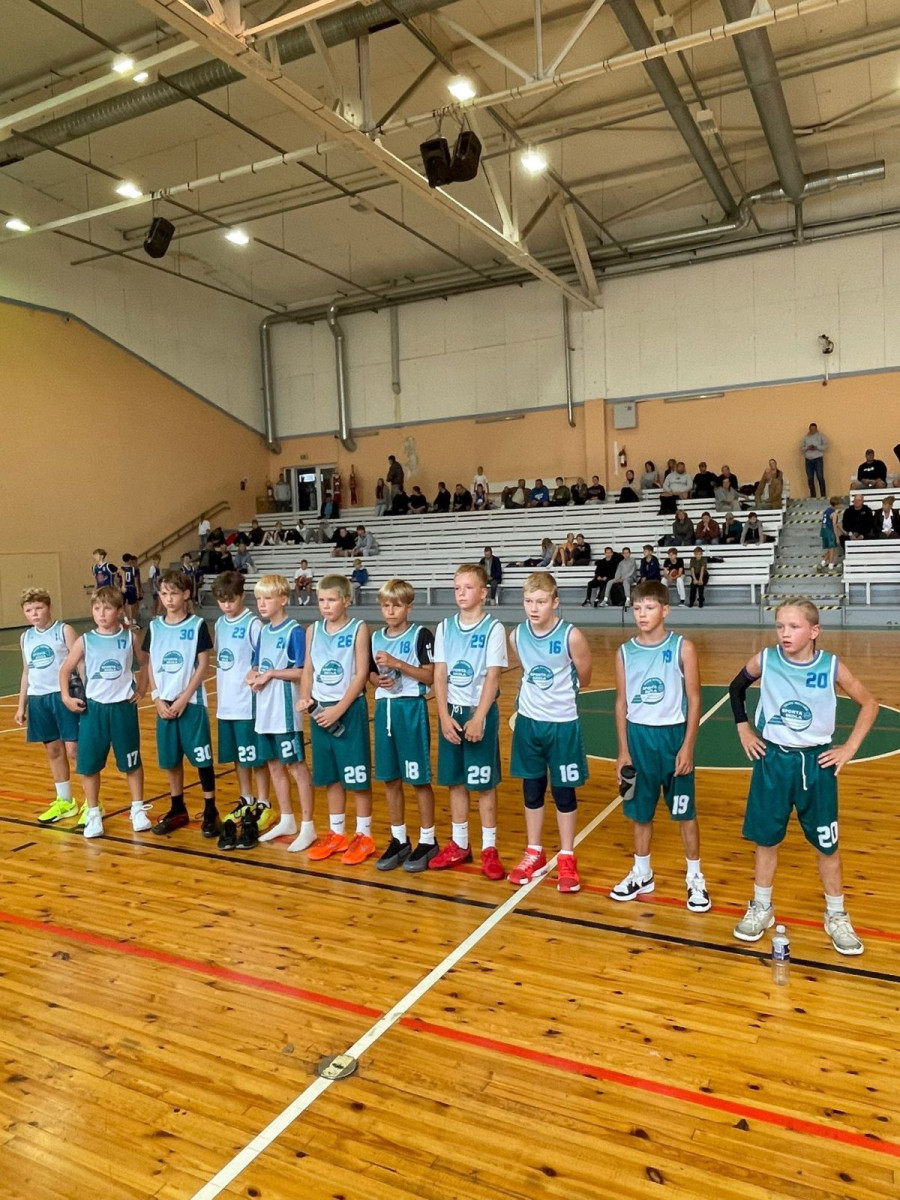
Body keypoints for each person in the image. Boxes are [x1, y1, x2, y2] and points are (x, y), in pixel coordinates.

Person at [729, 598, 877, 954]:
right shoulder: (766, 659)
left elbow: (869, 704)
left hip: (816, 764)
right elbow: (735, 689)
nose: (785, 633)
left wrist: (849, 748)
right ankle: (761, 907)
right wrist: (744, 729)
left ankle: (836, 914)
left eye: (794, 627)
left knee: (827, 845)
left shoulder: (831, 666)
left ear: (814, 631)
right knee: (766, 840)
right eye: (780, 626)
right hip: (773, 761)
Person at [611, 580, 709, 912]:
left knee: (685, 812)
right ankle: (642, 873)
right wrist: (623, 751)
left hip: (672, 737)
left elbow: (695, 699)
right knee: (639, 811)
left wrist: (688, 746)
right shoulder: (624, 652)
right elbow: (621, 702)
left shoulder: (683, 647)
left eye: (650, 607)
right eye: (637, 608)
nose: (642, 614)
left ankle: (695, 877)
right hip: (638, 739)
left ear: (665, 610)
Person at [507, 572, 592, 892]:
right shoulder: (517, 635)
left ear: (555, 602)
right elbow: (526, 669)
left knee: (563, 791)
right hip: (528, 722)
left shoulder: (572, 636)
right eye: (528, 601)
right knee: (532, 788)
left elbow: (585, 676)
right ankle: (534, 852)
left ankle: (567, 856)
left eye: (541, 601)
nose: (534, 608)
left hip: (562, 724)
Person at [430, 564, 507, 880]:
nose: (461, 593)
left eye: (468, 587)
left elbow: (493, 676)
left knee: (483, 783)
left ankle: (489, 848)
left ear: (483, 592)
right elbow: (439, 673)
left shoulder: (493, 628)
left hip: (479, 712)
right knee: (455, 780)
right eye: (457, 588)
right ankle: (460, 843)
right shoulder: (445, 627)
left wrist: (479, 717)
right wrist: (443, 715)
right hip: (452, 712)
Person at [58, 586, 150, 839]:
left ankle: (137, 808)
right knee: (89, 765)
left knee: (131, 762)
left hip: (123, 708)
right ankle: (93, 813)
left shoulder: (129, 637)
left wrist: (142, 688)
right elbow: (65, 670)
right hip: (94, 710)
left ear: (119, 611)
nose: (101, 613)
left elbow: (145, 662)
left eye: (107, 608)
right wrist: (66, 697)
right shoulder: (85, 640)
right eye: (97, 608)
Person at [298, 574, 375, 865]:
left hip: (348, 709)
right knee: (330, 775)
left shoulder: (358, 628)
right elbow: (308, 669)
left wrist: (339, 709)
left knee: (357, 777)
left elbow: (361, 673)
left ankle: (364, 835)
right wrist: (305, 697)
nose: (325, 606)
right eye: (321, 600)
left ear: (346, 600)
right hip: (320, 710)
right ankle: (337, 833)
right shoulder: (313, 630)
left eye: (331, 600)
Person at [143, 570, 220, 837]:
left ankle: (210, 810)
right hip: (163, 702)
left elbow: (203, 664)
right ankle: (178, 808)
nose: (169, 599)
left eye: (174, 593)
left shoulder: (197, 625)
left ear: (186, 594)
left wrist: (185, 697)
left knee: (202, 758)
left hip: (191, 701)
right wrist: (155, 697)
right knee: (171, 759)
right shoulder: (154, 627)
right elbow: (151, 663)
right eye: (164, 593)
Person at [369, 579, 438, 872]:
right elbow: (370, 674)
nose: (390, 611)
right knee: (390, 778)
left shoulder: (421, 635)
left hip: (411, 708)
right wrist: (377, 680)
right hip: (384, 709)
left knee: (418, 779)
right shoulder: (375, 637)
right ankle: (399, 838)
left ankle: (428, 839)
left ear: (408, 607)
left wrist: (398, 663)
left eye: (396, 606)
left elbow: (430, 676)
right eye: (386, 605)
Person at [245, 574, 316, 852]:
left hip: (285, 711)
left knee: (296, 766)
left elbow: (303, 671)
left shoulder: (294, 631)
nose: (261, 604)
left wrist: (272, 673)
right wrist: (252, 675)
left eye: (268, 598)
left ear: (283, 599)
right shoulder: (263, 631)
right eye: (258, 599)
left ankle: (308, 825)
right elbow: (256, 665)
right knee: (274, 764)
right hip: (264, 710)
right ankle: (287, 818)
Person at [210, 572, 273, 846]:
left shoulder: (253, 624)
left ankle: (264, 802)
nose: (227, 605)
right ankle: (246, 799)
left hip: (247, 703)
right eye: (222, 600)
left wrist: (254, 673)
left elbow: (262, 659)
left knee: (255, 757)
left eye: (231, 599)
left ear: (241, 596)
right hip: (226, 704)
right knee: (238, 756)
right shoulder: (219, 624)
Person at [16, 588, 81, 824]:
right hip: (38, 699)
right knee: (53, 751)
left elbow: (80, 663)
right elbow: (27, 672)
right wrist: (21, 706)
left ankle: (93, 803)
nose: (34, 614)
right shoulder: (25, 637)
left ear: (49, 607)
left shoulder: (64, 631)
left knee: (74, 751)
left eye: (39, 608)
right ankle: (65, 802)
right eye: (29, 610)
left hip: (63, 697)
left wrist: (87, 692)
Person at [801, 422, 828, 497]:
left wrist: (817, 447)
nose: (812, 430)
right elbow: (801, 448)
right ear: (809, 429)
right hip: (808, 460)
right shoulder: (805, 438)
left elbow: (825, 446)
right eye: (811, 429)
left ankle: (823, 495)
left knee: (820, 476)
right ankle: (813, 496)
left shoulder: (821, 436)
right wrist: (807, 448)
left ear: (816, 429)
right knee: (810, 478)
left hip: (818, 458)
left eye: (814, 429)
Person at [819, 496, 842, 570]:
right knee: (832, 550)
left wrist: (843, 531)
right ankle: (830, 567)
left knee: (831, 550)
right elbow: (834, 525)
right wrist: (837, 537)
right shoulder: (834, 514)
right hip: (830, 532)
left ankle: (822, 563)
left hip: (824, 531)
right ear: (836, 505)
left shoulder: (827, 511)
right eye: (839, 504)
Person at [121, 554, 143, 628]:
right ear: (130, 560)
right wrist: (138, 590)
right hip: (131, 587)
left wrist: (123, 586)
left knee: (124, 604)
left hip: (125, 587)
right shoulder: (133, 569)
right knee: (130, 605)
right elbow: (136, 581)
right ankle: (130, 620)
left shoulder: (122, 568)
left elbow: (122, 578)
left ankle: (126, 619)